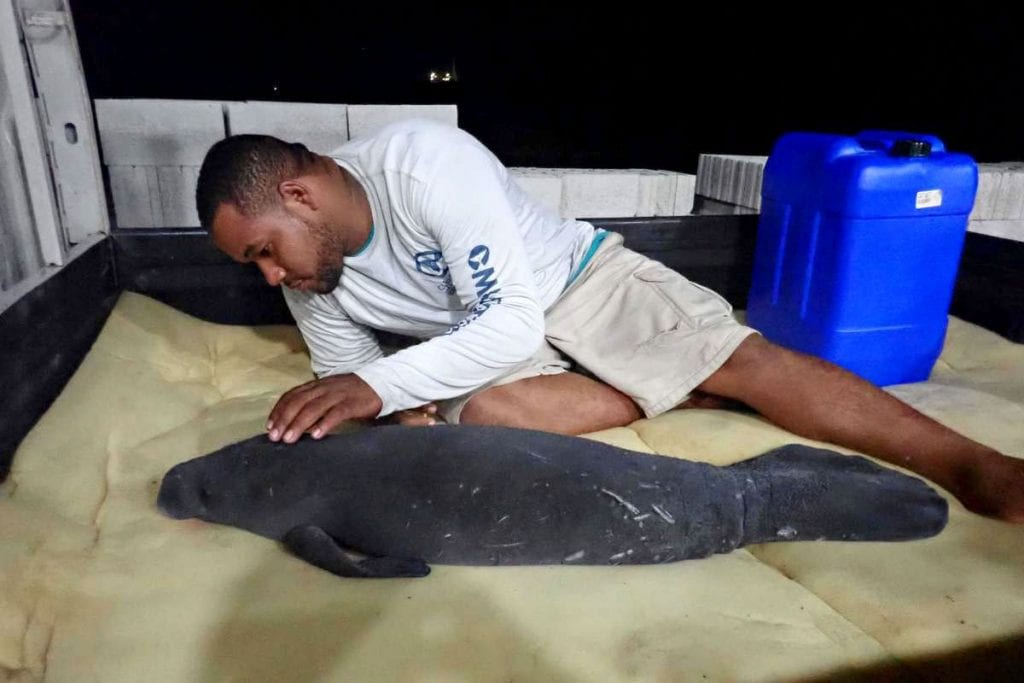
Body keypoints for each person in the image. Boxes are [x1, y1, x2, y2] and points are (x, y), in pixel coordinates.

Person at [195, 118, 1024, 523]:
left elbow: (512, 323)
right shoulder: (311, 274)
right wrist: (377, 400)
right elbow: (353, 380)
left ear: (300, 195)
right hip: (480, 341)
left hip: (572, 286)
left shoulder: (424, 165)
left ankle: (974, 463)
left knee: (740, 358)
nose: (273, 278)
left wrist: (378, 385)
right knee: (480, 417)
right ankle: (671, 390)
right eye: (256, 267)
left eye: (266, 251)